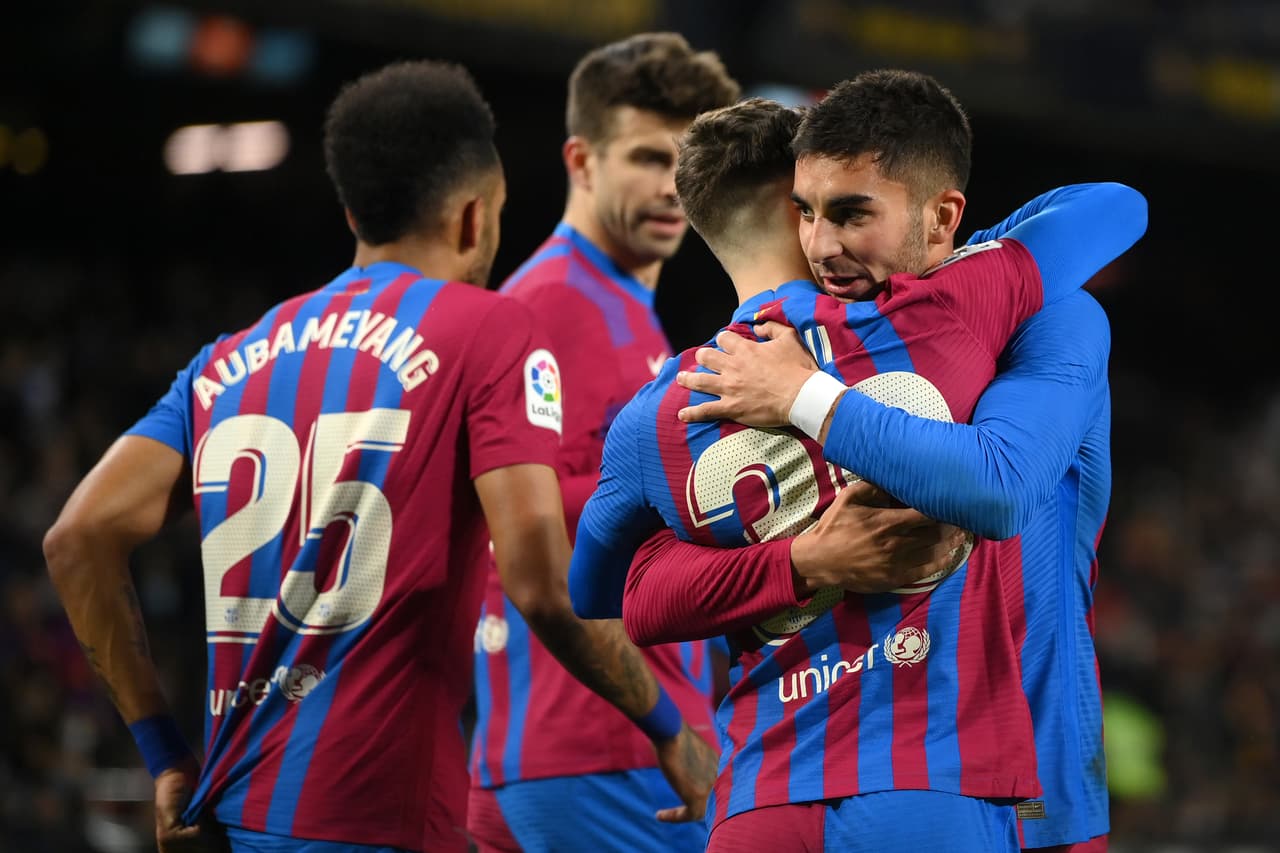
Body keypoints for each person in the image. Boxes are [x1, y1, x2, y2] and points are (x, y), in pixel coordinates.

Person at [42, 59, 711, 853]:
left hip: (233, 815)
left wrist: (162, 754)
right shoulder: (487, 330)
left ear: (354, 210)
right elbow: (540, 583)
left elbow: (76, 537)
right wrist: (668, 728)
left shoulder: (230, 358)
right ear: (474, 216)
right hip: (381, 814)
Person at [569, 73, 1145, 852]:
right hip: (944, 772)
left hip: (1017, 762)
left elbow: (612, 590)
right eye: (809, 211)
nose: (824, 243)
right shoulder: (940, 321)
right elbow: (640, 595)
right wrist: (805, 556)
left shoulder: (1039, 312)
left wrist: (809, 400)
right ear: (787, 208)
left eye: (849, 209)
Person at [466, 32, 741, 853]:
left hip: (569, 747)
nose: (671, 186)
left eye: (686, 162)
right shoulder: (558, 306)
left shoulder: (618, 308)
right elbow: (535, 542)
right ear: (581, 159)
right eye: (647, 157)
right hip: (604, 749)